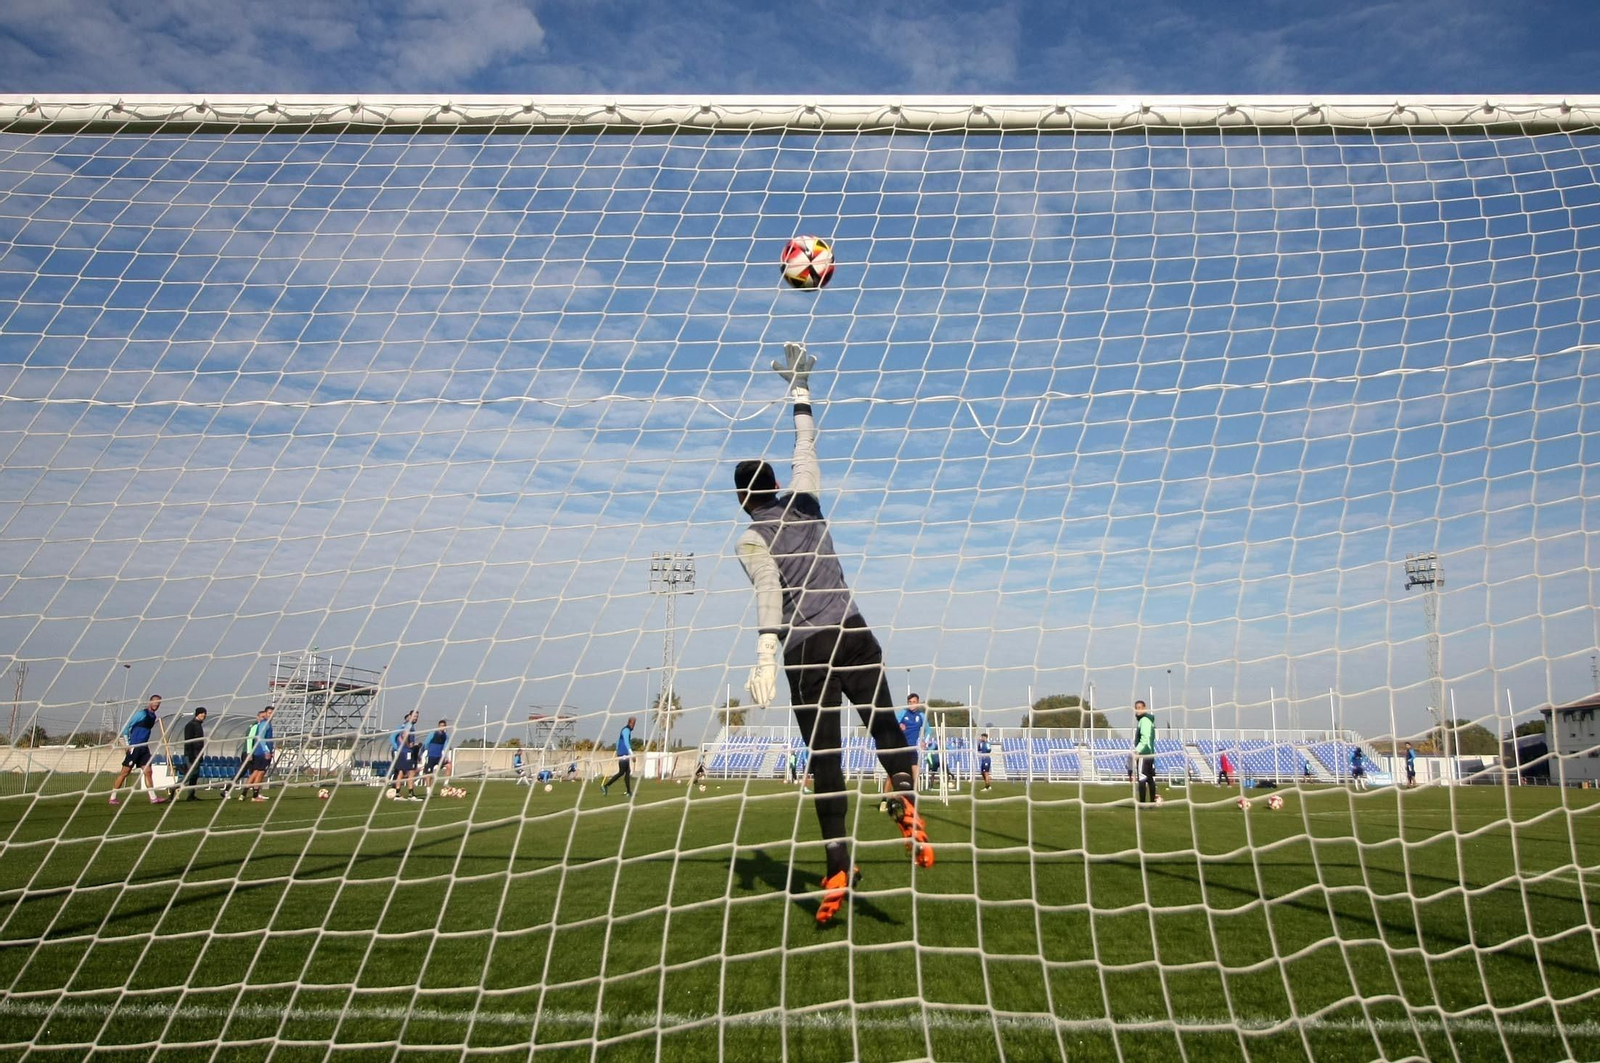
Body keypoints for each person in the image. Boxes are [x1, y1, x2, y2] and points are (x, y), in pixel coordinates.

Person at [735, 342, 929, 927]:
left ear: (744, 501)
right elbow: (805, 449)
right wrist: (800, 393)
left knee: (825, 758)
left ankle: (838, 865)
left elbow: (770, 594)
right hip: (854, 630)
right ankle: (903, 792)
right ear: (775, 484)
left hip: (806, 650)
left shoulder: (750, 538)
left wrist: (766, 653)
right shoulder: (810, 504)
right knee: (886, 724)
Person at [109, 694, 167, 806]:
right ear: (150, 702)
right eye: (155, 702)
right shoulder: (141, 714)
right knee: (125, 773)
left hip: (144, 748)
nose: (156, 704)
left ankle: (153, 798)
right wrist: (128, 744)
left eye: (158, 703)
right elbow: (126, 728)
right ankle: (112, 797)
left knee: (148, 772)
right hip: (134, 747)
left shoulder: (153, 717)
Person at [243, 706, 274, 802]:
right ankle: (255, 796)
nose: (271, 715)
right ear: (265, 714)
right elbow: (261, 738)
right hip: (262, 753)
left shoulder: (264, 724)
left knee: (256, 772)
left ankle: (244, 794)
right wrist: (267, 751)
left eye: (272, 713)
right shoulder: (265, 724)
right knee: (260, 773)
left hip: (258, 752)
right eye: (269, 713)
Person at [176, 706, 208, 800]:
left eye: (205, 713)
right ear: (197, 714)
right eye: (202, 713)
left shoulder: (198, 725)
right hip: (192, 754)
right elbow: (188, 741)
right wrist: (190, 754)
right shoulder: (191, 725)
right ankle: (174, 787)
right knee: (191, 773)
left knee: (195, 774)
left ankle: (191, 795)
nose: (204, 715)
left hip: (197, 754)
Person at [602, 716, 636, 797]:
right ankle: (606, 786)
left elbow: (618, 741)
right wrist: (632, 753)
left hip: (624, 754)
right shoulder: (626, 730)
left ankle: (628, 792)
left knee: (627, 772)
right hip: (623, 754)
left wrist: (617, 749)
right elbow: (626, 742)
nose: (634, 726)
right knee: (622, 772)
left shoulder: (626, 730)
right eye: (633, 724)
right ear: (630, 723)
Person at [1132, 700, 1157, 805]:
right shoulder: (1146, 720)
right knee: (1149, 778)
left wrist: (1137, 751)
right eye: (1136, 708)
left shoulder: (1144, 720)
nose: (1137, 710)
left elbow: (1145, 738)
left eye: (1140, 707)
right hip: (1149, 753)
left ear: (1144, 708)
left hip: (1144, 753)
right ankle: (1152, 802)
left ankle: (1142, 803)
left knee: (1142, 777)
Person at [900, 694, 926, 789]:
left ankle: (914, 790)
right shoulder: (902, 713)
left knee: (915, 768)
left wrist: (924, 741)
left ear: (918, 703)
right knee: (898, 772)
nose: (912, 704)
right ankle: (886, 797)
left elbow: (928, 730)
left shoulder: (922, 716)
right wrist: (899, 726)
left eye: (914, 702)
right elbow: (893, 724)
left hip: (912, 747)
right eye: (910, 702)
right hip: (901, 747)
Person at [389, 710, 418, 788]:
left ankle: (396, 789)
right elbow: (392, 737)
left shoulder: (411, 727)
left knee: (401, 770)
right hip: (399, 751)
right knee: (399, 770)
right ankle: (394, 789)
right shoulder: (403, 726)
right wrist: (397, 747)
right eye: (411, 717)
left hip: (403, 750)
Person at [422, 719, 451, 794]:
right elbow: (426, 743)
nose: (442, 727)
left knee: (449, 766)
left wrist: (445, 756)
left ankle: (446, 783)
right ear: (438, 726)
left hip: (439, 757)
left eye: (443, 726)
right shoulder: (433, 733)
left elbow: (445, 746)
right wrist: (428, 751)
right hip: (431, 756)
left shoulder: (445, 736)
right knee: (429, 773)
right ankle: (428, 790)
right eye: (440, 726)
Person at [393, 728, 421, 800]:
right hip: (407, 753)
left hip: (401, 753)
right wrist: (413, 745)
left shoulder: (402, 728)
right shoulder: (410, 728)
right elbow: (408, 743)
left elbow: (398, 738)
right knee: (411, 772)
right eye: (415, 716)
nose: (416, 718)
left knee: (401, 773)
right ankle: (411, 795)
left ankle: (397, 794)